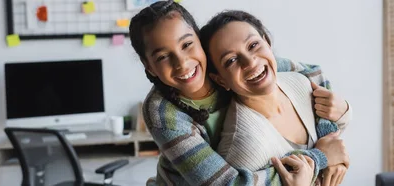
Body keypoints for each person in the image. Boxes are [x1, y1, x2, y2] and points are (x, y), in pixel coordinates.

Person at [128, 1, 349, 185]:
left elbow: (310, 72)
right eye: (162, 57)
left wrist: (331, 128)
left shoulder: (223, 67)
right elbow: (227, 184)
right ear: (149, 67)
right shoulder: (163, 113)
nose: (182, 63)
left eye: (187, 44)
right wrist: (320, 158)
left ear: (199, 41)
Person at [200, 10, 351, 186]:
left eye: (253, 45)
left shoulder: (302, 83)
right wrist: (323, 158)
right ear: (220, 79)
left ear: (268, 42)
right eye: (231, 60)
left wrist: (345, 115)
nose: (250, 62)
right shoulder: (245, 147)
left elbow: (332, 134)